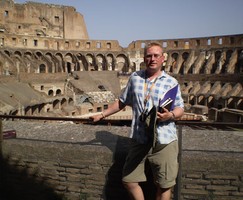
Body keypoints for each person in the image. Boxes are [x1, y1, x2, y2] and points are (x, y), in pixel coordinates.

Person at [90, 42, 184, 200]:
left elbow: (180, 108)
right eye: (149, 56)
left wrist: (171, 115)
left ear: (163, 59)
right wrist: (102, 114)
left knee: (164, 185)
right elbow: (122, 101)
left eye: (156, 56)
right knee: (129, 180)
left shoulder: (171, 82)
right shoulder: (135, 78)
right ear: (144, 58)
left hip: (164, 139)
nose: (152, 59)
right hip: (140, 138)